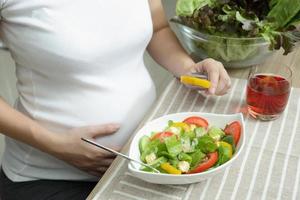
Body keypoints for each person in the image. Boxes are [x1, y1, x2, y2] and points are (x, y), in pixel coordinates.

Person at [0, 0, 231, 199]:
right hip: (49, 177)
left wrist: (189, 69)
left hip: (142, 163)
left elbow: (158, 28)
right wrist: (57, 145)